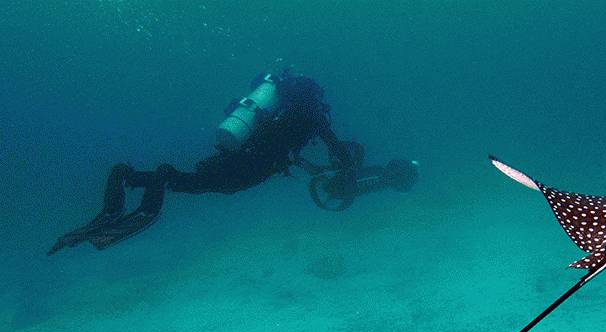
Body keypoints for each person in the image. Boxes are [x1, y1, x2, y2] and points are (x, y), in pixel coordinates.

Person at [48, 69, 418, 255]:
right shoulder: (311, 114)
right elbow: (334, 147)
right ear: (312, 95)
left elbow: (282, 143)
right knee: (204, 184)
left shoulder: (280, 110)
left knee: (199, 181)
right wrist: (349, 171)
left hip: (238, 153)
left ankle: (130, 177)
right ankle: (148, 179)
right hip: (248, 165)